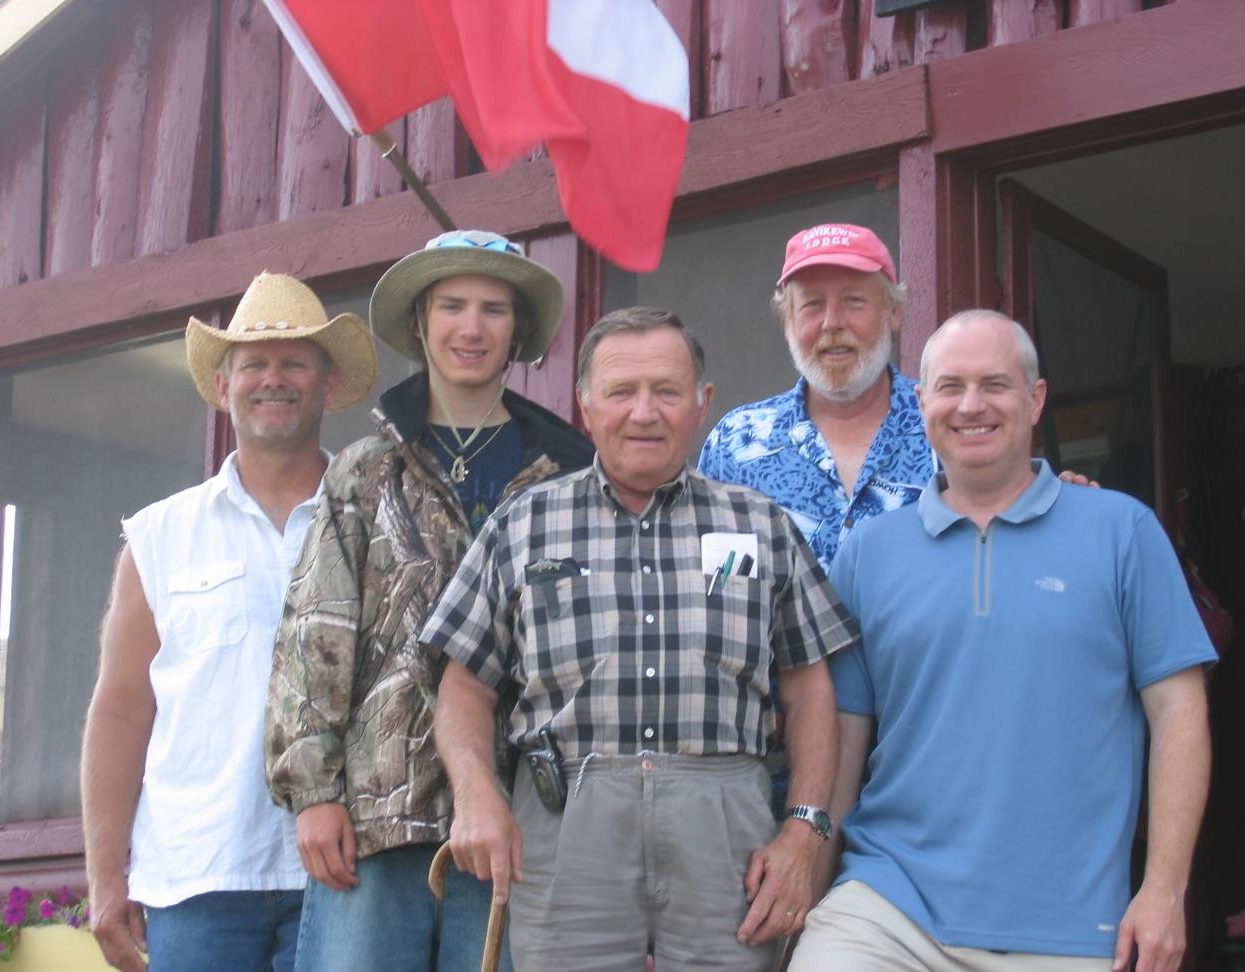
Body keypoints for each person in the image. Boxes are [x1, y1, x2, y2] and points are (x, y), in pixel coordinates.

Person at [420, 306, 858, 971]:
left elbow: (808, 688)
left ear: (702, 403)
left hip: (727, 836)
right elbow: (463, 684)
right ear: (587, 406)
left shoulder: (758, 526)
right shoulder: (524, 525)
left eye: (667, 391)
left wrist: (803, 833)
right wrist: (477, 794)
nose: (644, 412)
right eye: (622, 392)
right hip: (566, 830)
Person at [790, 310, 1215, 972]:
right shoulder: (869, 552)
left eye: (995, 384)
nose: (971, 405)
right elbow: (845, 737)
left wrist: (1164, 891)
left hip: (1071, 926)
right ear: (922, 400)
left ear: (1035, 399)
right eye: (950, 386)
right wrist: (809, 899)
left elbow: (1179, 713)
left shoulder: (1121, 530)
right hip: (886, 909)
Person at [263, 230, 593, 972]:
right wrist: (313, 791)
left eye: (493, 310)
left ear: (519, 333)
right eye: (451, 306)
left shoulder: (569, 473)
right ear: (420, 323)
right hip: (378, 816)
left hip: (527, 822)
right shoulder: (364, 470)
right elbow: (315, 629)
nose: (471, 328)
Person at [81, 273, 378, 972]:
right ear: (224, 387)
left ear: (328, 385)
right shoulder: (159, 537)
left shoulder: (378, 523)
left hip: (350, 868)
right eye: (254, 364)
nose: (273, 379)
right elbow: (121, 710)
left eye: (294, 362)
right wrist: (104, 878)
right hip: (198, 878)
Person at [698, 222, 934, 575]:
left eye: (854, 301)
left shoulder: (943, 425)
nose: (832, 323)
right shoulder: (735, 444)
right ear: (787, 321)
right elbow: (715, 590)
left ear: (893, 313)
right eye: (812, 305)